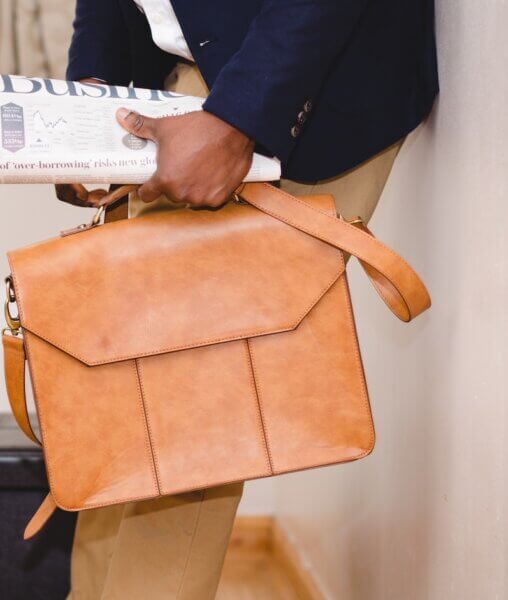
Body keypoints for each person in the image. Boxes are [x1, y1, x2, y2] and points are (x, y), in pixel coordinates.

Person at [54, 1, 438, 598]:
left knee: (193, 419)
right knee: (127, 397)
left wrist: (239, 118)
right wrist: (88, 95)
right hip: (182, 82)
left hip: (302, 82)